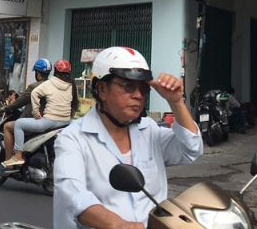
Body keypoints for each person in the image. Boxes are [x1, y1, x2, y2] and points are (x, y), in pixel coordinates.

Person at [53, 46, 202, 229]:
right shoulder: (73, 138)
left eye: (143, 88)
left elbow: (191, 149)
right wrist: (117, 224)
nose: (138, 95)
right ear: (102, 89)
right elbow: (72, 193)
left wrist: (176, 102)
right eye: (128, 86)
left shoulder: (149, 130)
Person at [1, 59, 77, 170]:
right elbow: (75, 104)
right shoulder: (71, 85)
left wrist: (36, 112)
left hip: (49, 122)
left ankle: (17, 156)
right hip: (65, 122)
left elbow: (33, 94)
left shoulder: (49, 83)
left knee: (19, 124)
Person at [0, 58, 51, 162]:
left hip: (36, 121)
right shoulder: (52, 85)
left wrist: (5, 108)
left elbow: (19, 102)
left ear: (38, 73)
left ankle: (9, 161)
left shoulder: (34, 86)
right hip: (50, 121)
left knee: (7, 126)